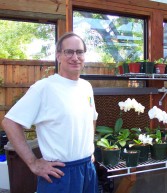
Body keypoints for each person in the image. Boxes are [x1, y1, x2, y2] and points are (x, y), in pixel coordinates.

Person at [2, 32, 100, 193]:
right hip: (60, 174)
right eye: (69, 52)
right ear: (58, 56)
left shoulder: (86, 87)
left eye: (79, 52)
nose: (75, 57)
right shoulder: (44, 88)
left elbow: (92, 118)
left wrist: (90, 148)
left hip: (87, 169)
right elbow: (10, 122)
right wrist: (33, 163)